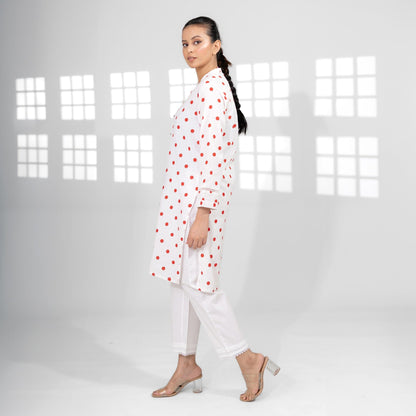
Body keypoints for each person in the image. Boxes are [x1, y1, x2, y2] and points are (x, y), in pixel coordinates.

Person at [148, 16, 280, 402]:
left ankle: (248, 359)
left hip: (197, 206)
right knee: (181, 283)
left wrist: (203, 213)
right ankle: (186, 364)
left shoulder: (212, 90)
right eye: (184, 44)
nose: (190, 50)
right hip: (182, 204)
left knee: (199, 284)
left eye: (198, 41)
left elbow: (215, 157)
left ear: (216, 45)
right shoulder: (206, 87)